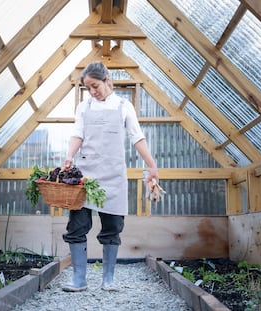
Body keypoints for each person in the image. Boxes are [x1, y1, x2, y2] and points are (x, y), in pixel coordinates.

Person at [62, 61, 159, 292]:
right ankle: (79, 279)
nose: (92, 92)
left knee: (112, 227)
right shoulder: (84, 108)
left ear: (107, 79)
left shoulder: (123, 106)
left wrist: (152, 166)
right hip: (85, 176)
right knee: (77, 226)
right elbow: (77, 134)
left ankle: (108, 279)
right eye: (88, 88)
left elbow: (138, 137)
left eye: (95, 86)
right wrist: (69, 156)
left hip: (114, 176)